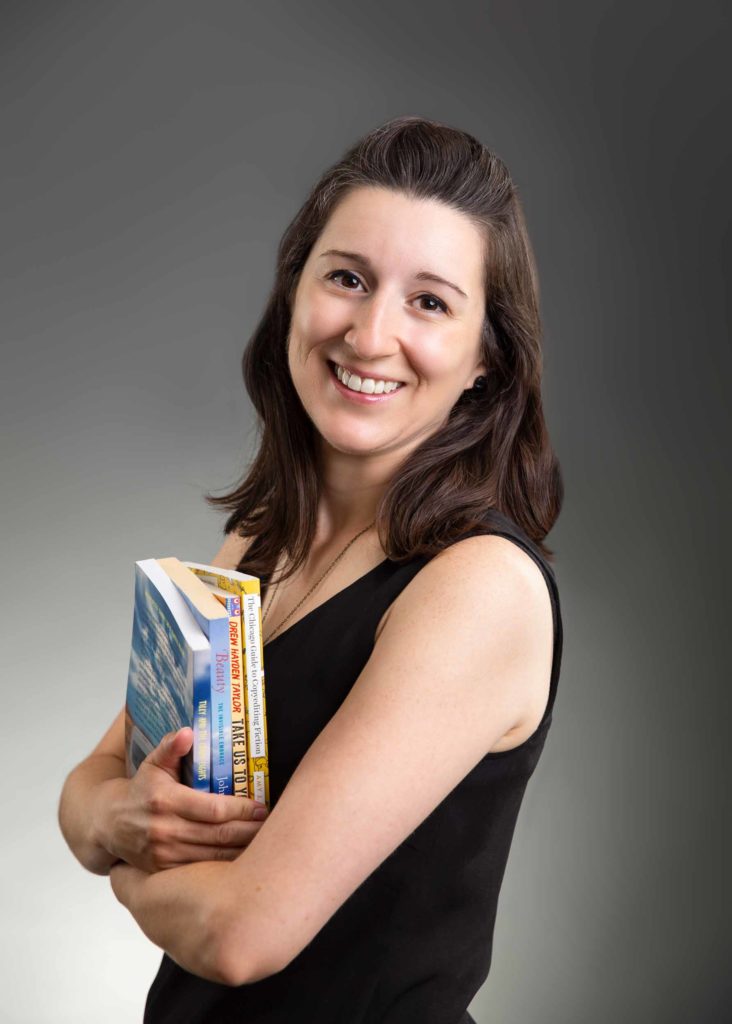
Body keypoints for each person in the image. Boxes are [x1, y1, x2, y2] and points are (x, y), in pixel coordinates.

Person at [58, 115, 564, 1024]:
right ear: (295, 295)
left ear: (486, 359)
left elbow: (243, 935)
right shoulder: (262, 538)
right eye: (348, 279)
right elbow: (89, 786)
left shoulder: (479, 587)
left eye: (430, 302)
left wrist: (123, 870)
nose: (370, 336)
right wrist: (117, 822)